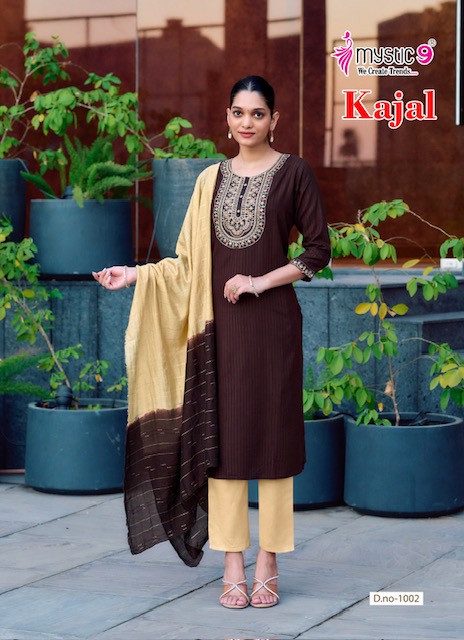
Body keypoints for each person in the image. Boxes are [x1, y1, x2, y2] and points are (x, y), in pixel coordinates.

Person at [93, 75, 331, 610]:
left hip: (272, 329)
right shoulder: (209, 182)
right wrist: (135, 275)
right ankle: (232, 562)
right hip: (218, 332)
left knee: (272, 444)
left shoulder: (294, 173)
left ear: (274, 120)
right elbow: (187, 264)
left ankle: (269, 559)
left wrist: (258, 282)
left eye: (258, 114)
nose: (248, 123)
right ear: (227, 118)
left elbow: (318, 251)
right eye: (238, 113)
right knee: (224, 447)